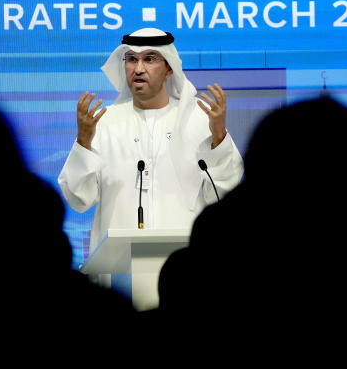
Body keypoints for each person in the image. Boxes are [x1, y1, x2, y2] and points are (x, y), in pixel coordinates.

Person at [57, 28, 244, 254]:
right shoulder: (104, 122)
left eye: (149, 59)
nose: (138, 69)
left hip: (187, 260)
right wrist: (84, 141)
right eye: (132, 59)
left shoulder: (199, 118)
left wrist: (219, 138)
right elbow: (79, 199)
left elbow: (226, 193)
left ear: (168, 69)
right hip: (119, 267)